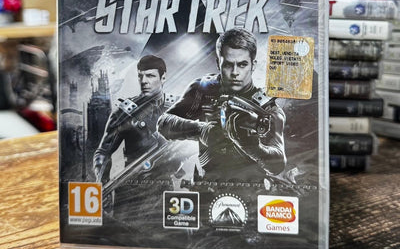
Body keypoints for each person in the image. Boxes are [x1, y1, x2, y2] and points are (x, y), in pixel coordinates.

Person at [157, 28, 287, 188]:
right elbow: (164, 123)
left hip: (250, 188)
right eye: (228, 65)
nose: (235, 72)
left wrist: (251, 146)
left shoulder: (267, 108)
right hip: (208, 183)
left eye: (242, 65)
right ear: (218, 63)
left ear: (253, 65)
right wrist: (201, 131)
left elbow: (277, 165)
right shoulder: (203, 88)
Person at [93, 54, 172, 222]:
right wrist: (102, 183)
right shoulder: (124, 112)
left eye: (150, 76)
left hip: (164, 190)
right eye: (140, 76)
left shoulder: (177, 108)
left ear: (163, 77)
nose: (144, 81)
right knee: (123, 234)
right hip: (130, 188)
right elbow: (103, 151)